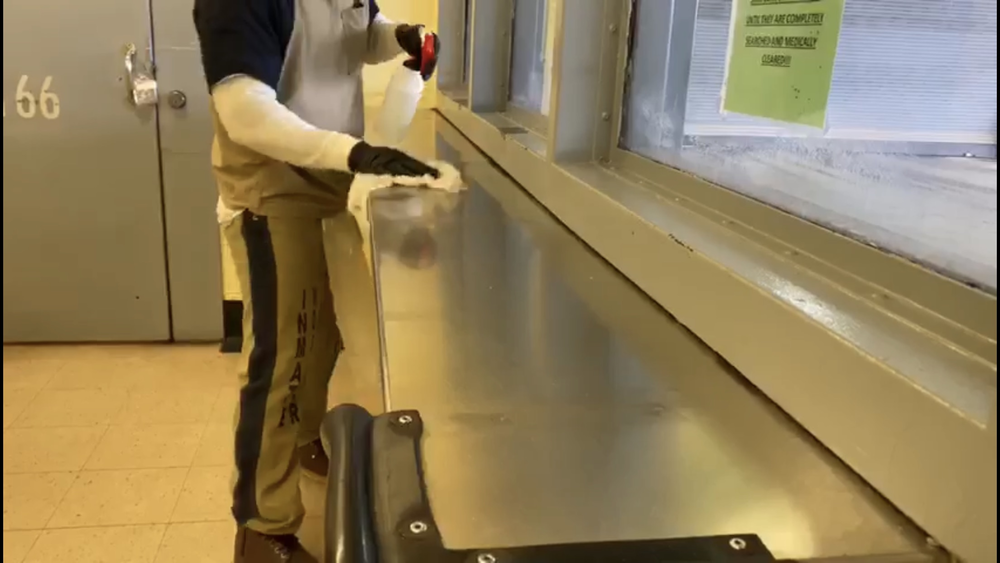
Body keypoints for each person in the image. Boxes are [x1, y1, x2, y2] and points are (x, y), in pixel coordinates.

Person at [192, 0, 439, 560]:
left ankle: (303, 440)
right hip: (271, 189)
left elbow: (357, 36)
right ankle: (261, 523)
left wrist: (395, 37)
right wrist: (352, 152)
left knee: (322, 337)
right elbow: (244, 110)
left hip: (329, 181)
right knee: (284, 355)